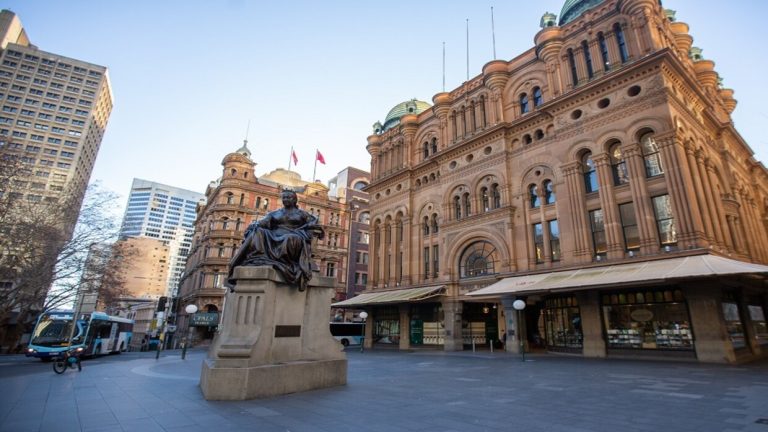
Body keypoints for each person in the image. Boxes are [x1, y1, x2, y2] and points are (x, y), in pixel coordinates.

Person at [228, 189, 324, 291]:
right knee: (258, 231)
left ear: (295, 200)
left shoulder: (302, 214)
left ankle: (278, 260)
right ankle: (256, 256)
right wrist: (255, 224)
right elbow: (263, 222)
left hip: (294, 235)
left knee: (290, 238)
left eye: (288, 197)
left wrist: (311, 225)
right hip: (274, 235)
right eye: (284, 197)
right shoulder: (275, 213)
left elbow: (314, 222)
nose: (286, 199)